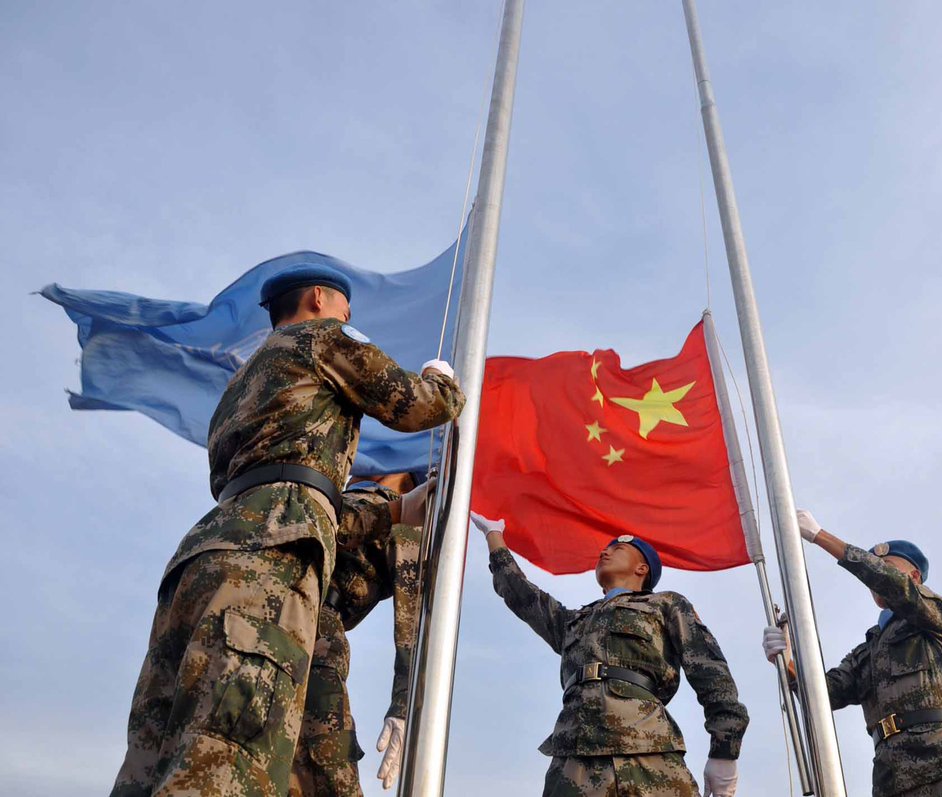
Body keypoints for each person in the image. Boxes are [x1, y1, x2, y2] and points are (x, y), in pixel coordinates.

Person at [111, 263, 466, 797]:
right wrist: (442, 382)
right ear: (320, 298)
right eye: (345, 307)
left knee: (156, 754)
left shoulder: (241, 383)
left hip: (206, 554)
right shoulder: (324, 337)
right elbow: (419, 406)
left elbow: (283, 486)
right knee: (230, 757)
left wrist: (393, 513)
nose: (349, 316)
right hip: (271, 562)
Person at [470, 512, 749, 797]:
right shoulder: (572, 621)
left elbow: (710, 671)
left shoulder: (665, 604)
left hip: (647, 752)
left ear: (642, 568)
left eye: (618, 549)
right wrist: (494, 537)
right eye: (606, 549)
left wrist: (724, 750)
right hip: (573, 759)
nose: (605, 552)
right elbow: (521, 595)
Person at [761, 510, 942, 797]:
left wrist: (821, 537)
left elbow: (892, 585)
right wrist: (786, 660)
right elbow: (826, 693)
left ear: (914, 577)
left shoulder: (937, 616)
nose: (875, 578)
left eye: (886, 567)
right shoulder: (869, 649)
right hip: (891, 776)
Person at [289, 473, 429, 797]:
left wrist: (404, 704)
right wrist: (404, 703)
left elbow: (412, 618)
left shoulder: (395, 513)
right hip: (307, 630)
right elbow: (414, 622)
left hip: (303, 628)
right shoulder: (333, 499)